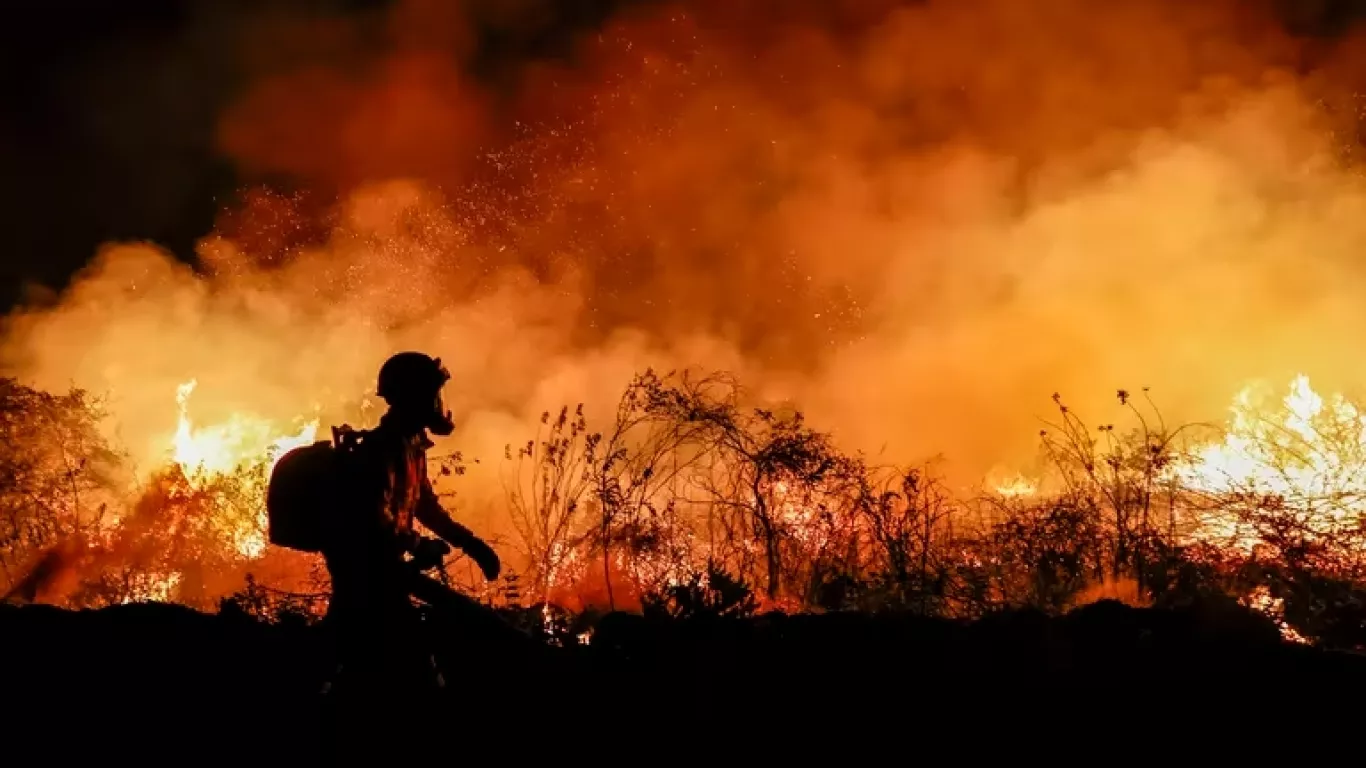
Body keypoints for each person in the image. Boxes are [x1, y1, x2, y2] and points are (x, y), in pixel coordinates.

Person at [319, 351, 502, 715]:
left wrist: (470, 544)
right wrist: (419, 545)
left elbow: (425, 507)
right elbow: (377, 520)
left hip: (381, 568)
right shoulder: (381, 450)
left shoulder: (411, 445)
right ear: (413, 396)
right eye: (433, 393)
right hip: (363, 570)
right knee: (400, 654)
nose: (439, 403)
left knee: (348, 649)